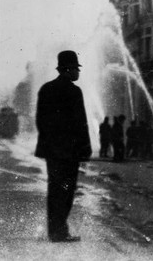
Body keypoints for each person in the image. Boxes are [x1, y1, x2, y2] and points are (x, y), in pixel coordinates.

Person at [35, 50, 92, 242]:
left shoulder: (45, 89)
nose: (78, 72)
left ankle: (55, 230)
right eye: (76, 68)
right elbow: (80, 123)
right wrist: (85, 149)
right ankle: (60, 231)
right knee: (67, 190)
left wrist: (49, 143)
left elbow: (40, 121)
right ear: (68, 69)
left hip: (52, 151)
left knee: (54, 190)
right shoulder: (74, 92)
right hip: (69, 152)